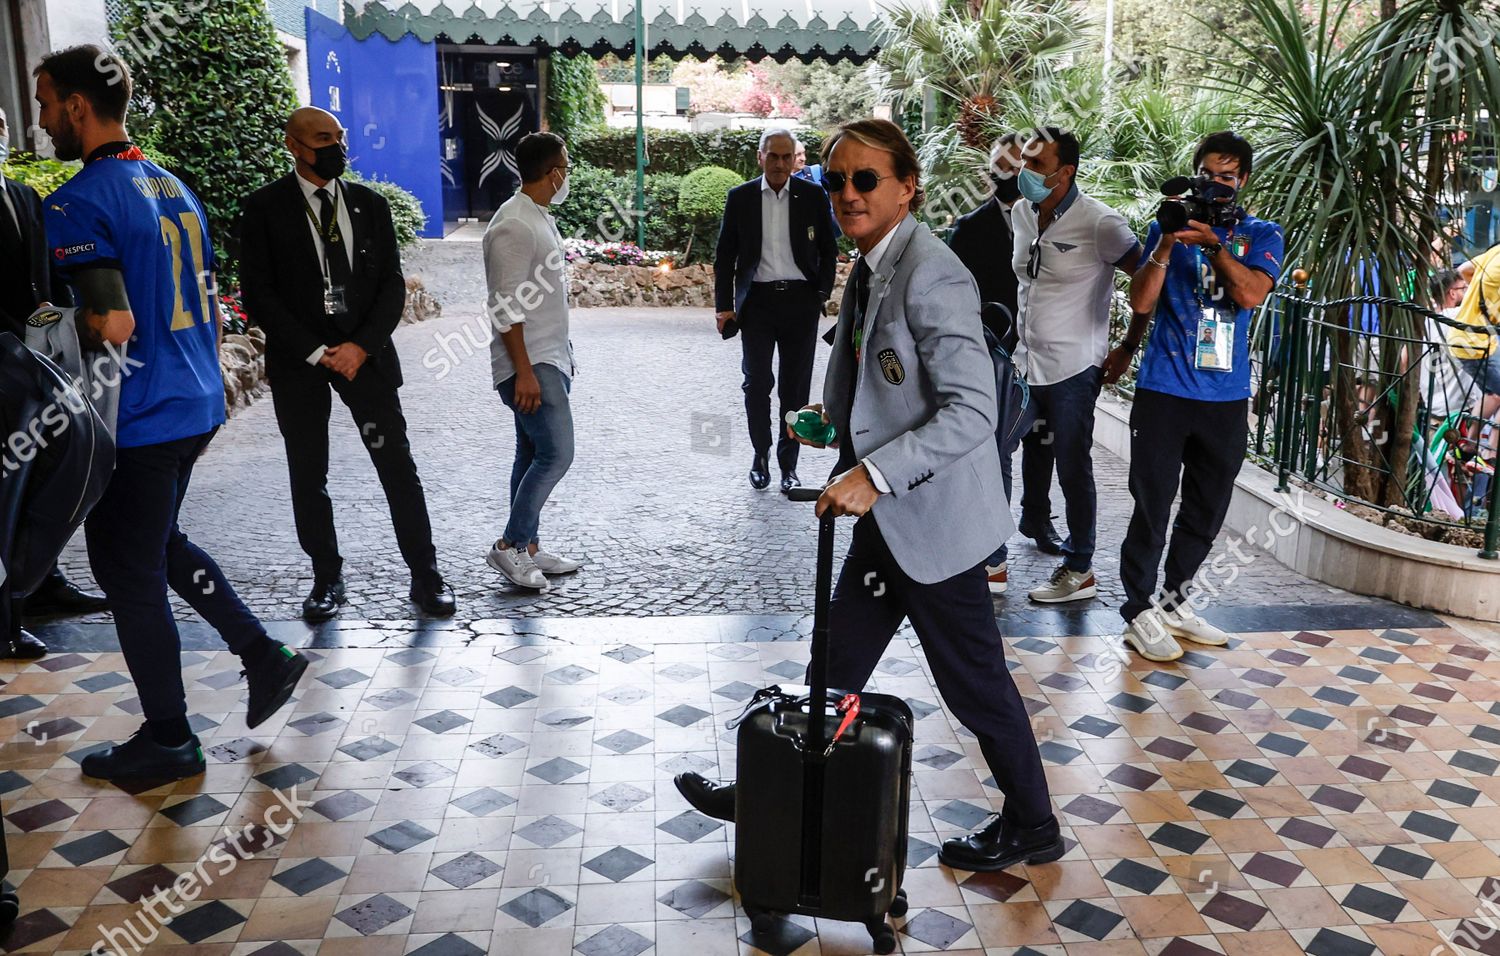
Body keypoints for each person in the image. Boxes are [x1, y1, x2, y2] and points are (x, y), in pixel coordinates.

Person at [677, 118, 1060, 874]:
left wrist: (874, 473)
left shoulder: (933, 272)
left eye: (865, 180)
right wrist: (836, 425)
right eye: (835, 179)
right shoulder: (877, 261)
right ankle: (768, 784)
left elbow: (971, 411)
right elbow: (886, 382)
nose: (847, 194)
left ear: (906, 186)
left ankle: (1034, 823)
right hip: (889, 523)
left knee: (975, 685)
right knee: (835, 661)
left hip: (935, 524)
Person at [36, 45, 307, 780]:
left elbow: (113, 325)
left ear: (78, 107)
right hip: (195, 399)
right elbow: (209, 306)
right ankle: (263, 654)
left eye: (45, 103)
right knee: (157, 544)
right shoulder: (172, 185)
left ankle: (169, 738)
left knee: (127, 566)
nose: (41, 118)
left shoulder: (76, 202)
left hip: (141, 414)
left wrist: (42, 327)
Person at [239, 107, 455, 621]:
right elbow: (260, 294)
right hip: (301, 363)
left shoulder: (369, 205)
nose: (335, 147)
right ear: (292, 144)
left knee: (397, 466)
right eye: (321, 139)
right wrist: (318, 351)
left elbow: (392, 284)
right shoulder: (263, 209)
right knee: (308, 473)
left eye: (339, 137)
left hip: (367, 359)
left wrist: (361, 346)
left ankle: (425, 575)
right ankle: (326, 578)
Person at [1115, 131, 1283, 662]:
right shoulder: (1164, 229)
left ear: (1244, 181)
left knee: (1207, 508)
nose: (1216, 186)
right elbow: (1141, 302)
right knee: (1152, 503)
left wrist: (1212, 244)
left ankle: (1172, 600)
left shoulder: (1262, 234)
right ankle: (1138, 609)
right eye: (1208, 175)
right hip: (1164, 391)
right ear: (1195, 174)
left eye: (1227, 178)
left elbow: (1251, 293)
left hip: (1226, 397)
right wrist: (1167, 241)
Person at [1010, 127, 1141, 603]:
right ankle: (994, 554)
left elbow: (1147, 282)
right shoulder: (1021, 212)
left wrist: (1127, 345)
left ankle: (1080, 565)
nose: (1025, 172)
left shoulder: (1101, 223)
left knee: (1072, 466)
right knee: (996, 448)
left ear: (1066, 172)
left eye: (1037, 165)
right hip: (1024, 365)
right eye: (1024, 161)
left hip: (1073, 369)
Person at [0, 105, 108, 660]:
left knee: (46, 476)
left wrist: (56, 323)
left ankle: (42, 583)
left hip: (39, 361)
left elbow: (45, 281)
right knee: (6, 491)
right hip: (2, 369)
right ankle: (6, 615)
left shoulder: (24, 196)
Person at [947, 132, 1060, 594]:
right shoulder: (968, 228)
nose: (1007, 175)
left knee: (1043, 440)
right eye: (1000, 167)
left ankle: (1037, 518)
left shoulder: (1052, 222)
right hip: (993, 354)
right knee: (1000, 446)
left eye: (1016, 167)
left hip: (1045, 351)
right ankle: (993, 547)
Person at [481, 132, 583, 591]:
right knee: (557, 453)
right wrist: (523, 370)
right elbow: (504, 306)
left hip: (547, 358)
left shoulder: (536, 215)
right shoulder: (514, 224)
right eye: (566, 164)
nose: (568, 173)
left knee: (531, 453)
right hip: (530, 363)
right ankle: (510, 546)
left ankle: (531, 549)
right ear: (553, 171)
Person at [714, 128, 839, 493]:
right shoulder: (740, 198)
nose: (781, 164)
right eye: (774, 156)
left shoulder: (813, 195)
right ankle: (761, 455)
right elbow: (725, 258)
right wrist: (724, 306)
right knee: (756, 384)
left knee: (794, 389)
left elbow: (830, 250)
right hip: (758, 303)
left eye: (787, 156)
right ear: (760, 157)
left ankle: (789, 464)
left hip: (801, 301)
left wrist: (820, 294)